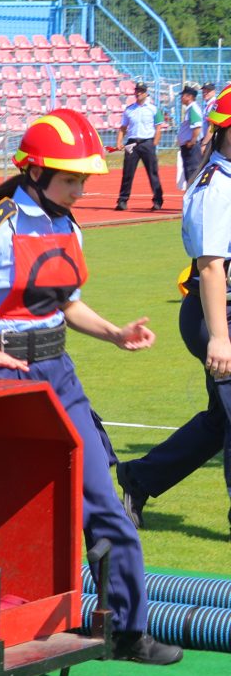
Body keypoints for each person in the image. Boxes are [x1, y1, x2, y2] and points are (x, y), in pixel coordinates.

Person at [0, 108, 181, 665]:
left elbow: (66, 305)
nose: (80, 188)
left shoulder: (67, 223)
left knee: (104, 502)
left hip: (59, 373)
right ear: (36, 173)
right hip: (3, 380)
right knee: (5, 507)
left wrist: (115, 333)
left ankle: (125, 630)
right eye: (70, 179)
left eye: (83, 179)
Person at [118, 85, 231, 534]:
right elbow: (210, 267)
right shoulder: (216, 188)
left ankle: (139, 478)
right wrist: (221, 338)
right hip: (216, 312)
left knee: (218, 420)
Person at [115, 81, 167, 211]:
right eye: (137, 91)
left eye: (141, 91)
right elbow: (123, 127)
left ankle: (158, 200)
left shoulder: (154, 109)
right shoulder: (129, 109)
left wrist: (154, 143)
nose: (138, 93)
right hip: (132, 142)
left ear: (146, 93)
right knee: (127, 173)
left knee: (152, 172)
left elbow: (159, 127)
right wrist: (119, 142)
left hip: (147, 142)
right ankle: (122, 200)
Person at [178, 84, 206, 191]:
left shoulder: (192, 108)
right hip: (189, 147)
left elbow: (197, 127)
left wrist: (192, 141)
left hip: (191, 148)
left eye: (183, 95)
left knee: (192, 173)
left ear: (189, 97)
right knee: (189, 173)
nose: (181, 98)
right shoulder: (191, 108)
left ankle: (193, 199)